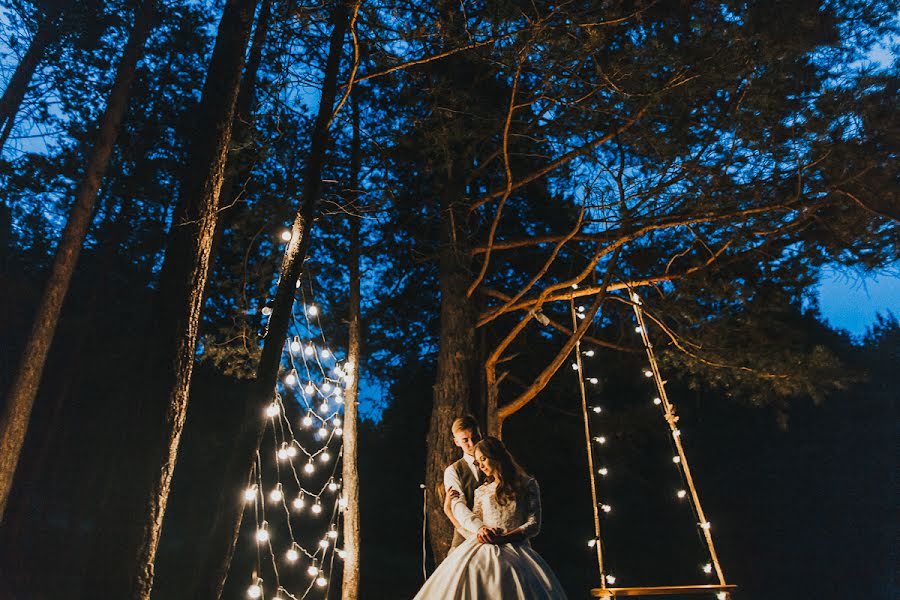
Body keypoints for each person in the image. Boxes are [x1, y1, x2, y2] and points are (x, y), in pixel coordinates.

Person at [414, 437, 568, 599]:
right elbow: (472, 533)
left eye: (483, 459)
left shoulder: (527, 485)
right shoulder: (481, 491)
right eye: (477, 461)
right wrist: (449, 512)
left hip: (516, 551)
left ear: (496, 456)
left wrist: (503, 538)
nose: (480, 465)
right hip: (482, 552)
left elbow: (533, 524)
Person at [442, 415, 484, 549]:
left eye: (475, 438)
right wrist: (480, 530)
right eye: (465, 440)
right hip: (465, 539)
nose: (472, 444)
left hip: (498, 535)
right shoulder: (452, 471)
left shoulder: (495, 463)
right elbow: (458, 507)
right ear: (457, 442)